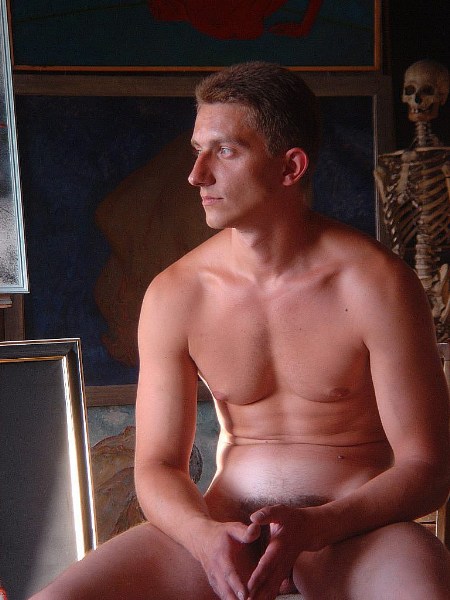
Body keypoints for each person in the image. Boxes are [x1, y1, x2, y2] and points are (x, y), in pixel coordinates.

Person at [31, 61, 450, 600]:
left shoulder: (377, 286)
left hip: (353, 531)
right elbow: (157, 467)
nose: (197, 175)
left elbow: (427, 469)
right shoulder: (175, 293)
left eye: (225, 151)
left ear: (290, 166)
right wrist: (203, 538)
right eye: (197, 150)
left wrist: (318, 526)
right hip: (225, 529)